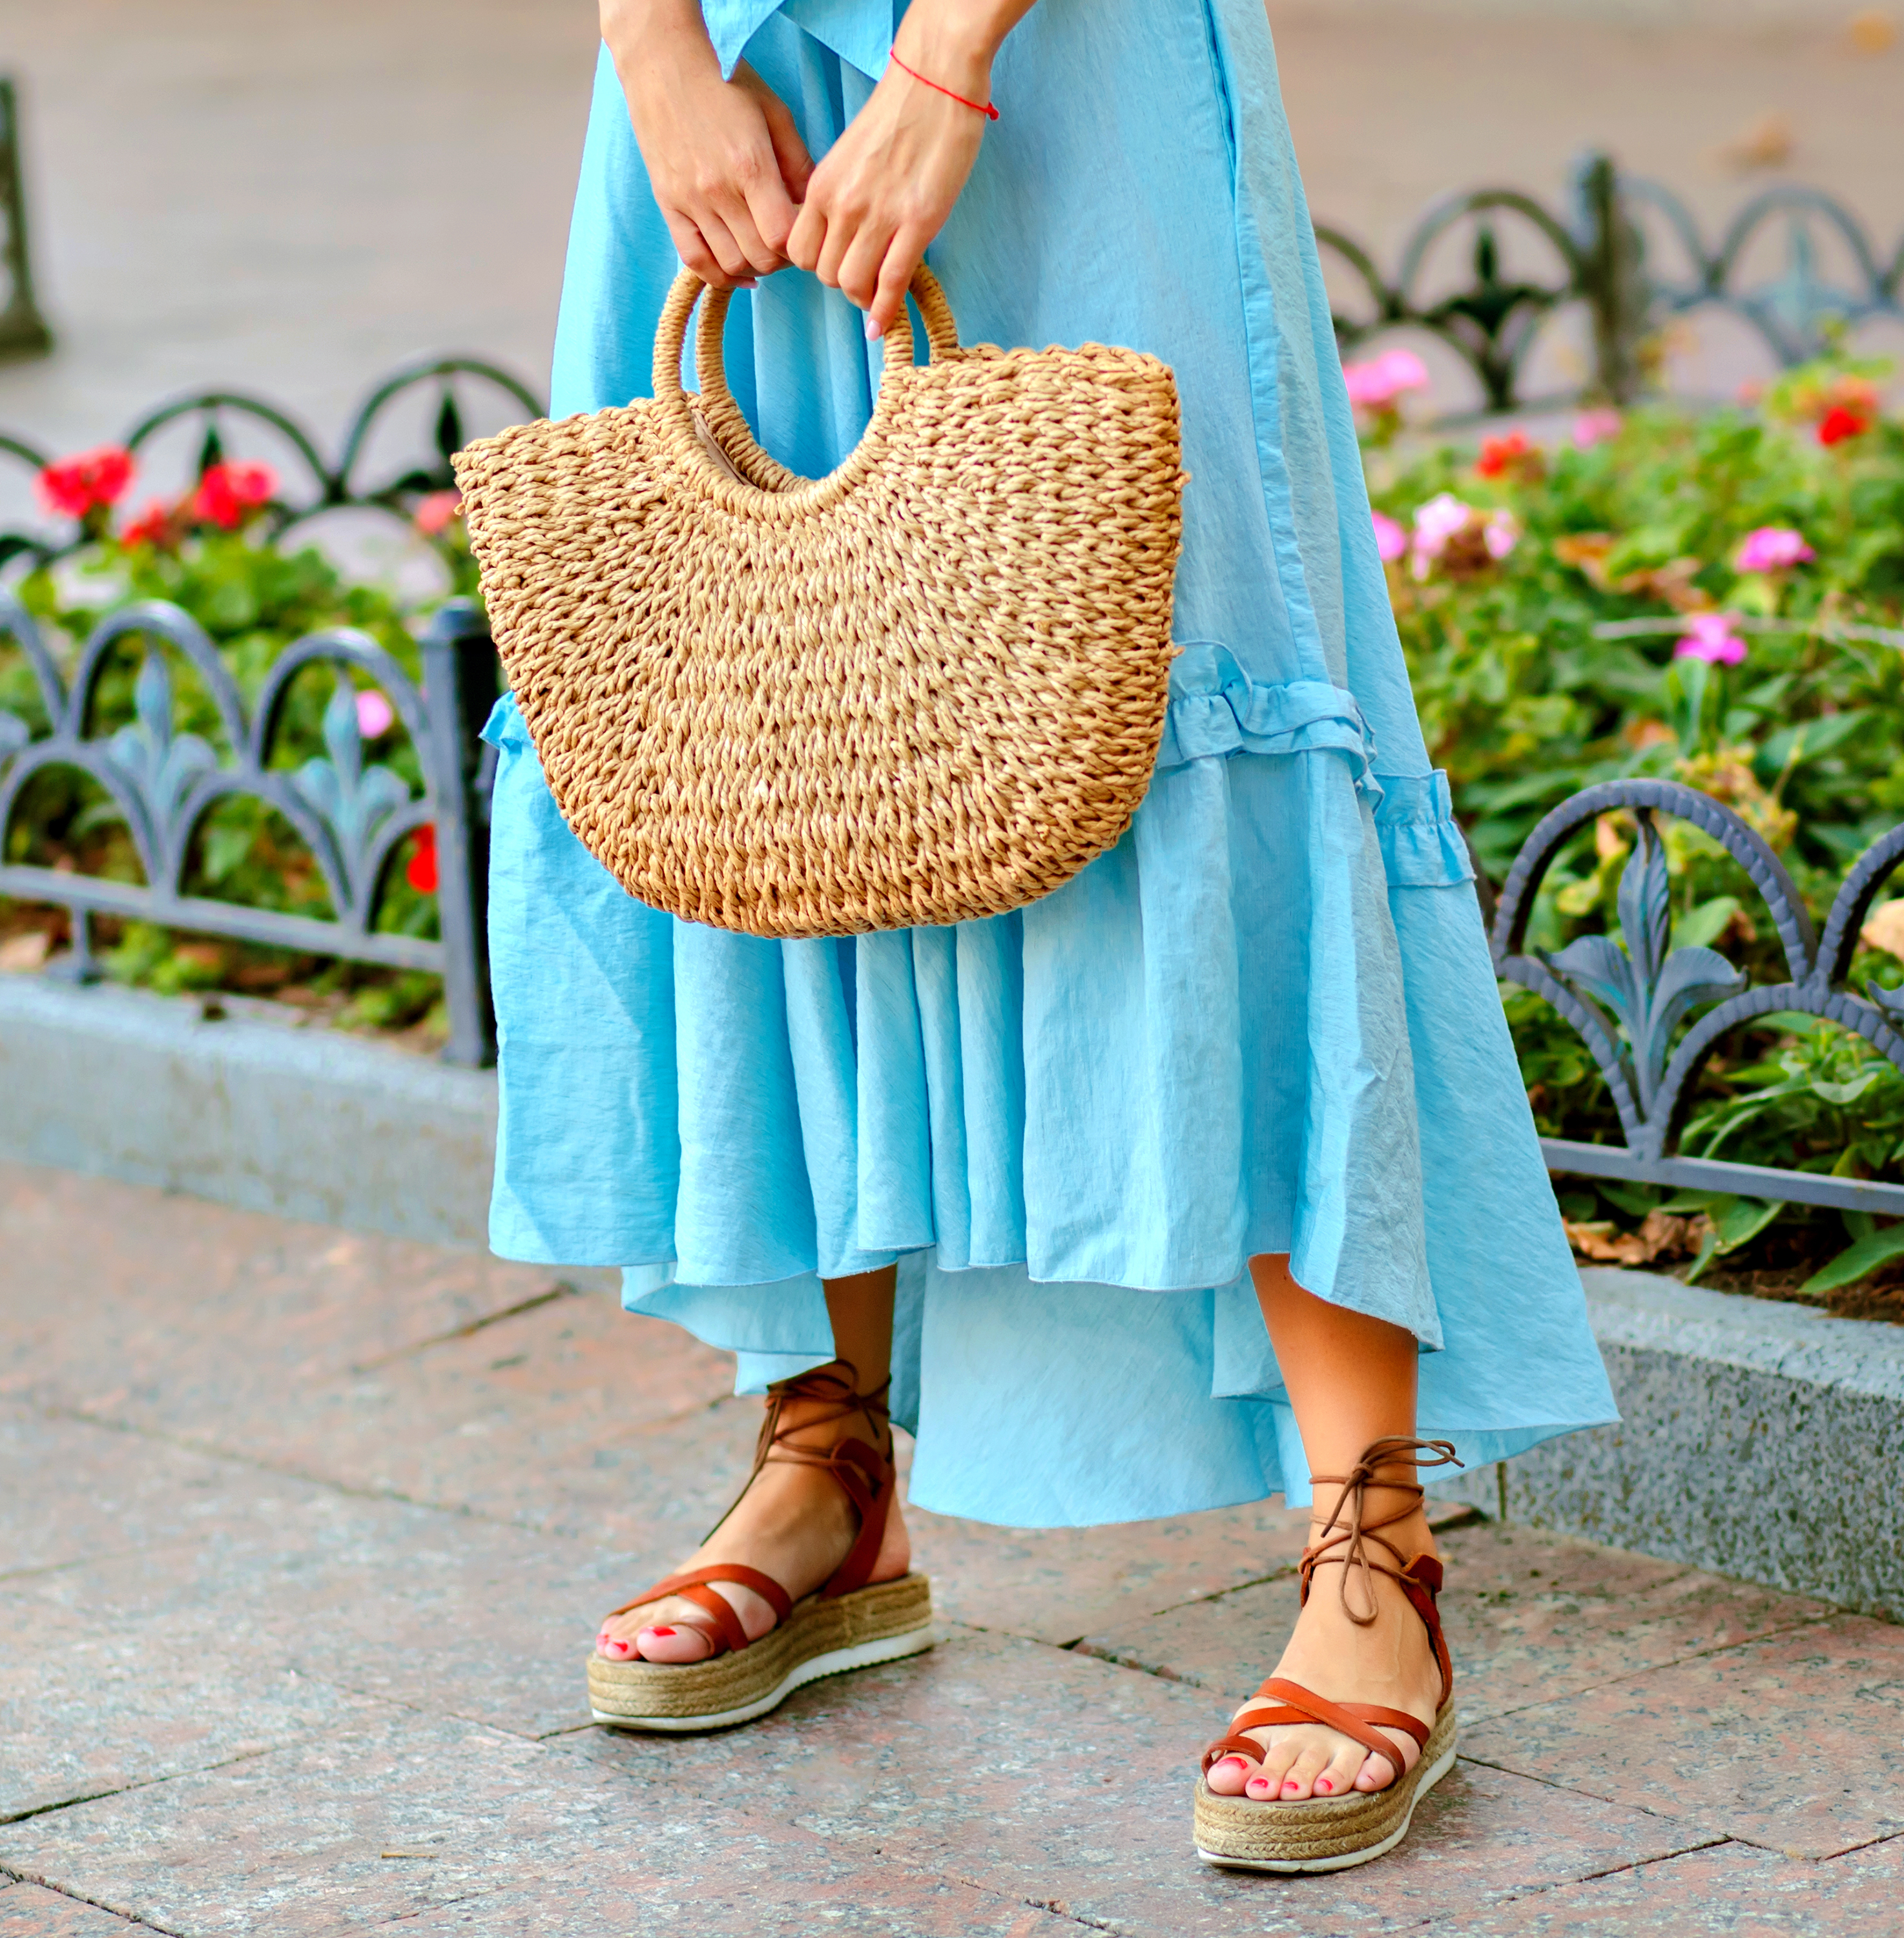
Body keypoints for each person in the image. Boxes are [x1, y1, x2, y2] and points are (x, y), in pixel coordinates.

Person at [480, 0, 1617, 1873]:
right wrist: (655, 56)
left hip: (1054, 57)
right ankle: (827, 1462)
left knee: (1198, 680)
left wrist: (941, 65)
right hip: (710, 64)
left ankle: (1374, 1542)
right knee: (762, 696)